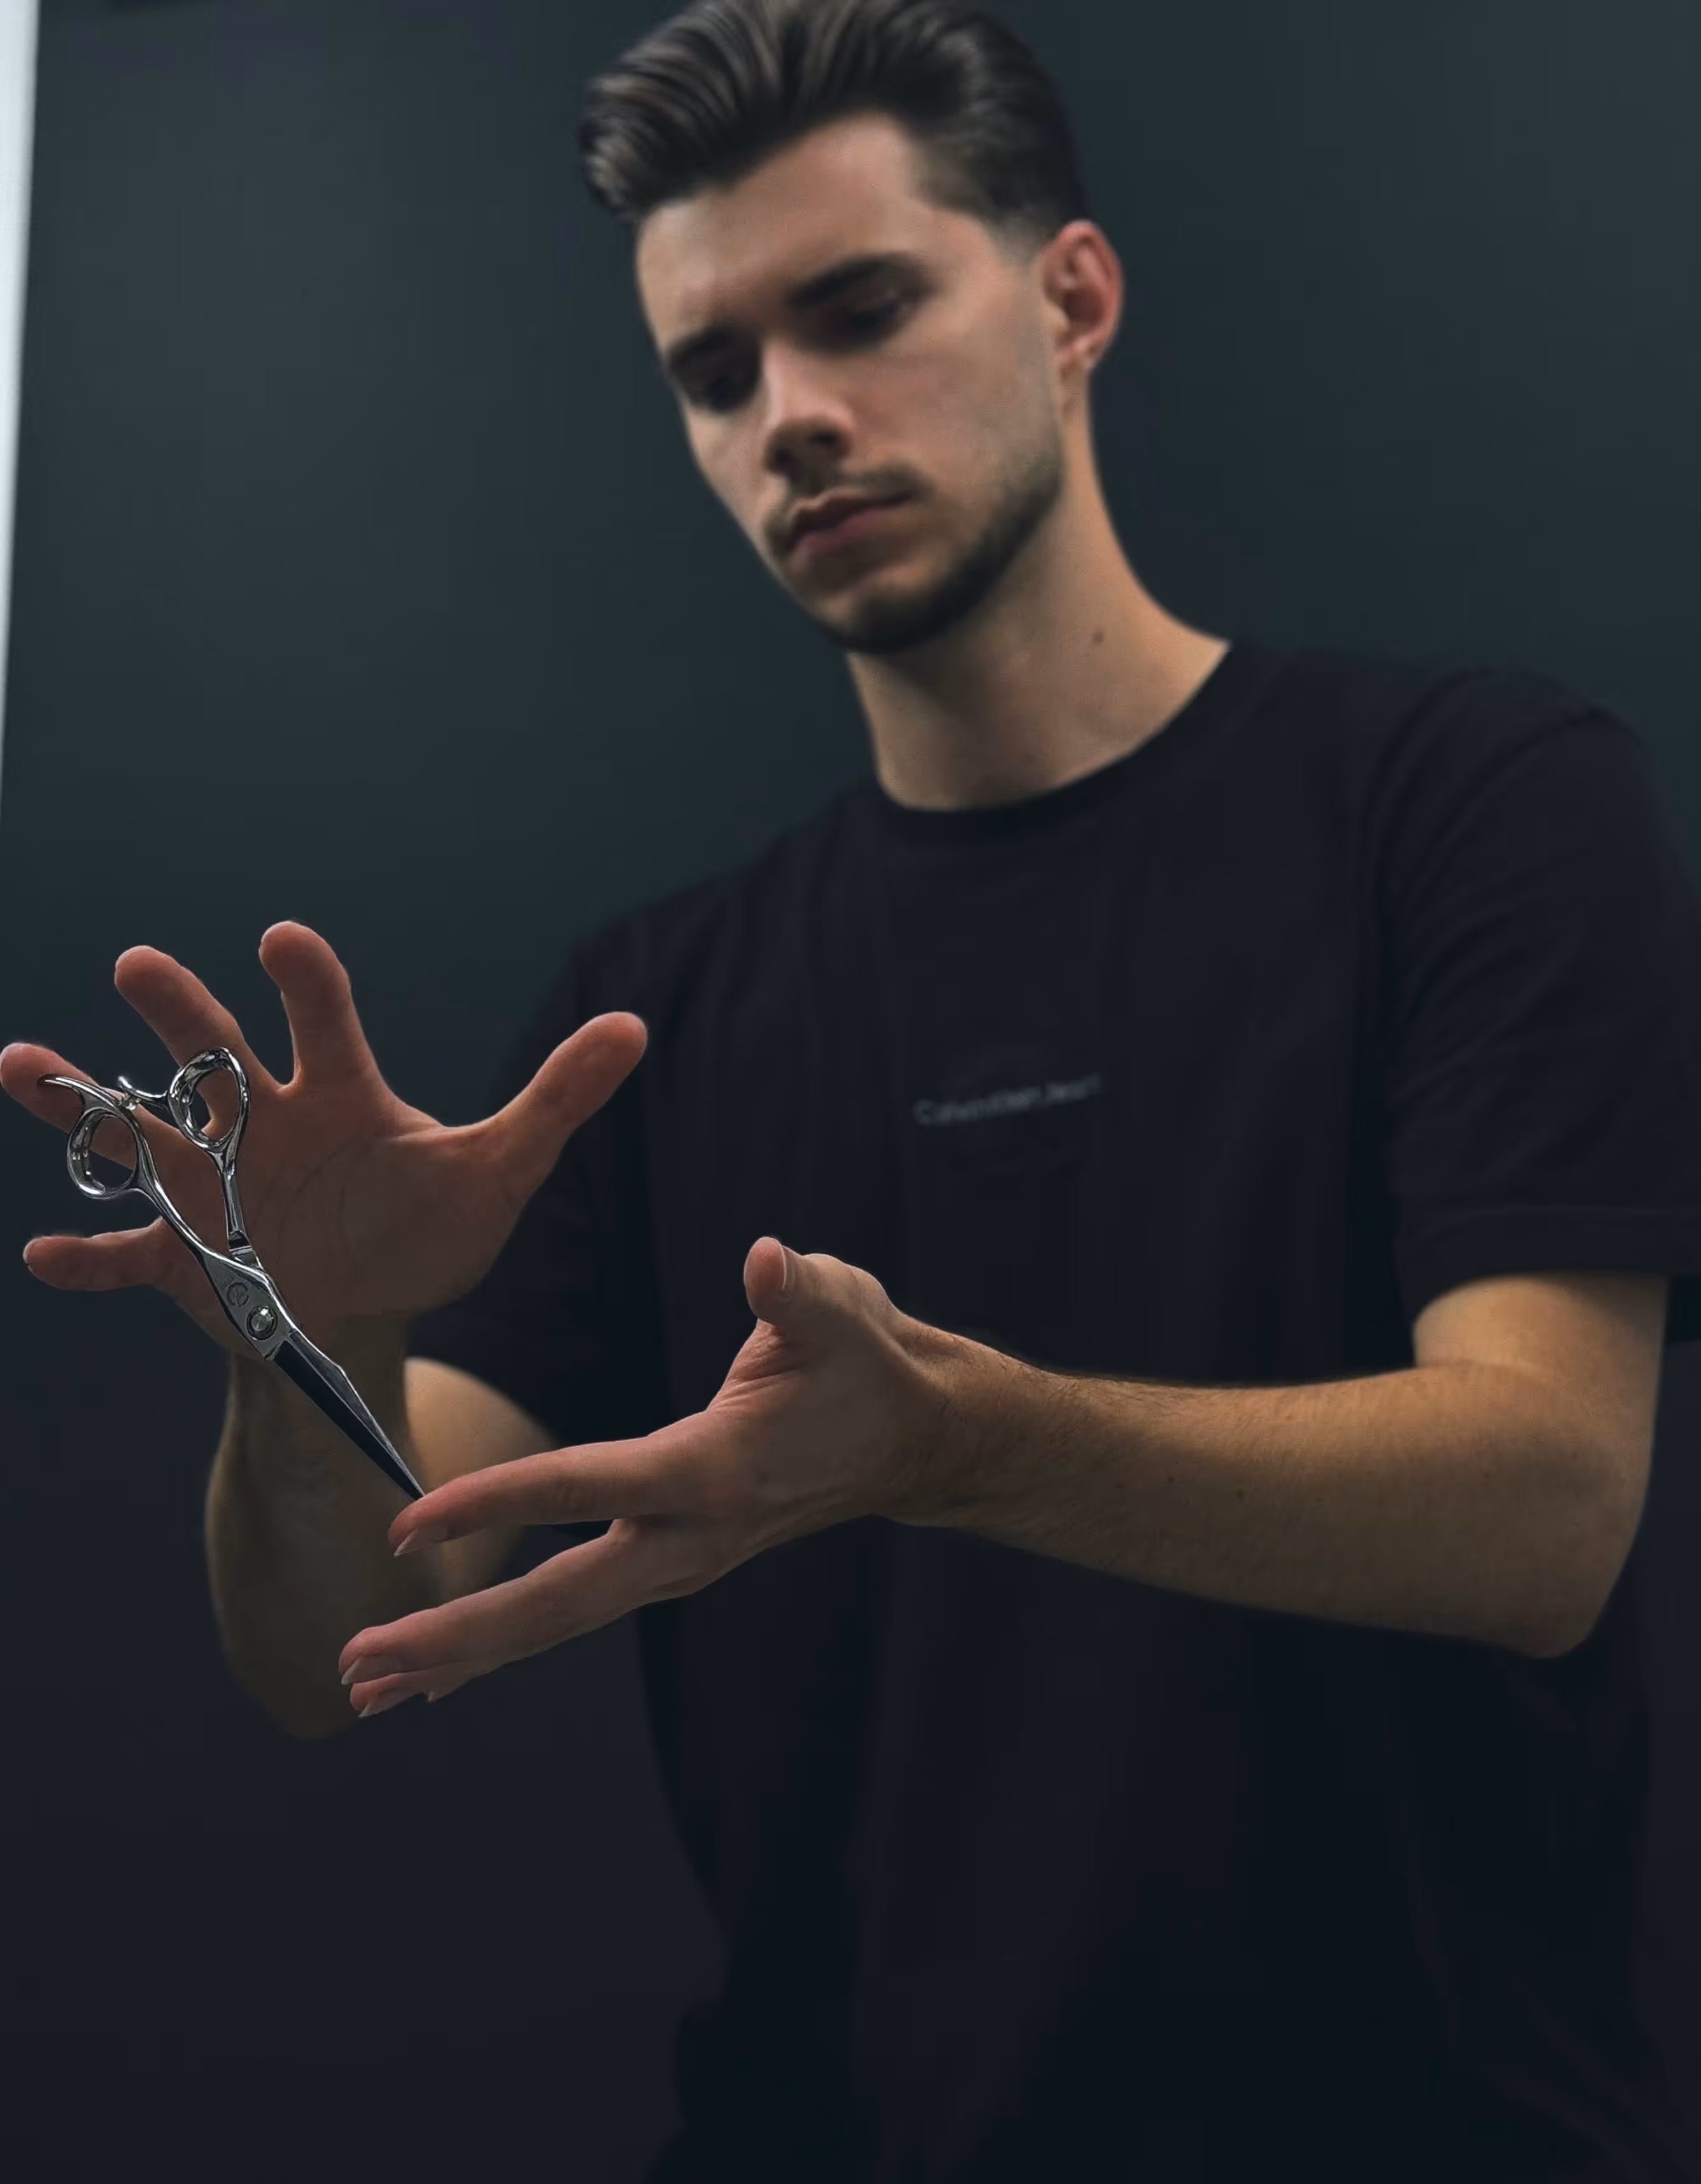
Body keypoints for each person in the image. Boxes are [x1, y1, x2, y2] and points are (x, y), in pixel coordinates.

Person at [6, 1, 1700, 2177]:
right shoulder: (652, 1017)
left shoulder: (1469, 811)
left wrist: (962, 1444)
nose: (790, 414)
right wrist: (303, 1342)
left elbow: (1548, 1508)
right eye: (715, 372)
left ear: (1069, 299)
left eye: (863, 309)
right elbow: (341, 1631)